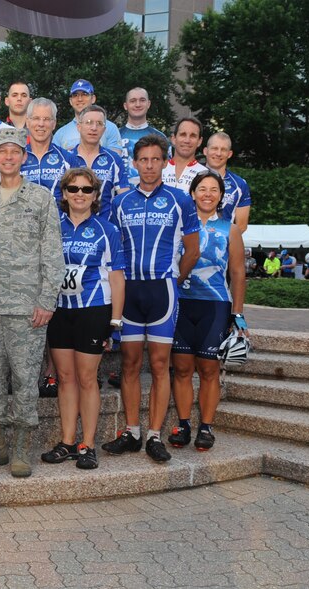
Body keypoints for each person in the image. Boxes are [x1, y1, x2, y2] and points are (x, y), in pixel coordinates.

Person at [0, 127, 63, 478]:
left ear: (24, 157)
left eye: (15, 152)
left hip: (28, 309)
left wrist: (46, 300)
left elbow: (52, 254)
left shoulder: (41, 199)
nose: (8, 157)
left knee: (25, 379)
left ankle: (22, 448)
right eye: (2, 152)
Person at [104, 134, 200, 463]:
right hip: (129, 291)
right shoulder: (120, 202)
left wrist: (176, 277)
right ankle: (132, 431)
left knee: (160, 365)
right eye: (143, 160)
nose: (148, 165)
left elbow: (193, 249)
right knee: (129, 364)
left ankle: (155, 434)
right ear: (134, 163)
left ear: (164, 162)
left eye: (155, 159)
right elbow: (111, 250)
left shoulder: (180, 200)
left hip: (162, 290)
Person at [40, 167, 125, 470]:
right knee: (65, 378)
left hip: (94, 309)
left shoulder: (107, 230)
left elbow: (117, 278)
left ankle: (87, 443)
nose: (79, 195)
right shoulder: (53, 226)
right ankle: (67, 441)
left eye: (86, 190)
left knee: (87, 378)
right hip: (60, 310)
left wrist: (115, 322)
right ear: (63, 194)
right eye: (73, 189)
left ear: (95, 195)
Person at [167, 171, 247, 452]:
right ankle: (184, 423)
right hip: (181, 303)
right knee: (182, 368)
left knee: (210, 368)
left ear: (221, 196)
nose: (208, 194)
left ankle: (206, 427)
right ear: (192, 193)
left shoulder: (230, 229)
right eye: (202, 188)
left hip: (215, 305)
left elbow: (237, 273)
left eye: (214, 189)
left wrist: (238, 314)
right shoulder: (178, 226)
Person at [20, 97, 81, 396]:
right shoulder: (17, 156)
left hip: (62, 243)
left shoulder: (69, 159)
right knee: (30, 306)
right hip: (23, 244)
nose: (41, 124)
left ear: (55, 124)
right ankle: (26, 370)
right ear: (27, 122)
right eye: (36, 119)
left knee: (57, 306)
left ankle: (53, 372)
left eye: (47, 119)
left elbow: (82, 200)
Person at [71, 105, 130, 220]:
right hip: (72, 230)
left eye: (99, 123)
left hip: (105, 229)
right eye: (89, 122)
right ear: (79, 126)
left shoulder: (114, 159)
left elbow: (124, 198)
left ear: (104, 129)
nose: (94, 128)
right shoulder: (67, 158)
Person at [52, 79, 122, 154]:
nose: (80, 99)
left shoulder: (110, 128)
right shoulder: (61, 133)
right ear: (70, 101)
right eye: (75, 95)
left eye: (85, 94)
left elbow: (115, 159)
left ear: (93, 98)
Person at [119, 88, 168, 187]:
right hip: (120, 195)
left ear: (148, 104)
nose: (138, 104)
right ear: (125, 105)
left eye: (142, 100)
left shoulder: (160, 137)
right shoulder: (115, 135)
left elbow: (167, 171)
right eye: (133, 101)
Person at [203, 132, 251, 233]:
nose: (218, 153)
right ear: (205, 151)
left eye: (223, 150)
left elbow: (241, 226)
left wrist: (219, 240)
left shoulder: (240, 184)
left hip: (221, 246)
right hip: (191, 245)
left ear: (229, 154)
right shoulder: (191, 177)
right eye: (214, 148)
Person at [162, 118, 207, 194]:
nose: (187, 140)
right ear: (174, 138)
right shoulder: (157, 169)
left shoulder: (205, 174)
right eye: (183, 135)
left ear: (199, 141)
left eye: (193, 136)